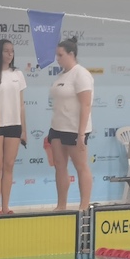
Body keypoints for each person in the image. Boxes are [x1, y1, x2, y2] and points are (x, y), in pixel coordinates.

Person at [48, 36, 93, 211]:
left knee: (81, 167)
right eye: (56, 55)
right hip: (57, 127)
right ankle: (61, 206)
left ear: (71, 54)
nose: (57, 59)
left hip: (74, 129)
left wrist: (81, 134)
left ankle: (84, 206)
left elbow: (86, 105)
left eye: (60, 55)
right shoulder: (61, 75)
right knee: (59, 166)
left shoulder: (81, 74)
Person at [0, 39, 27, 214]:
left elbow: (21, 104)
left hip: (14, 125)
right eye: (6, 51)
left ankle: (6, 206)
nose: (10, 54)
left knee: (9, 165)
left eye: (12, 51)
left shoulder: (18, 74)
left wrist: (23, 129)